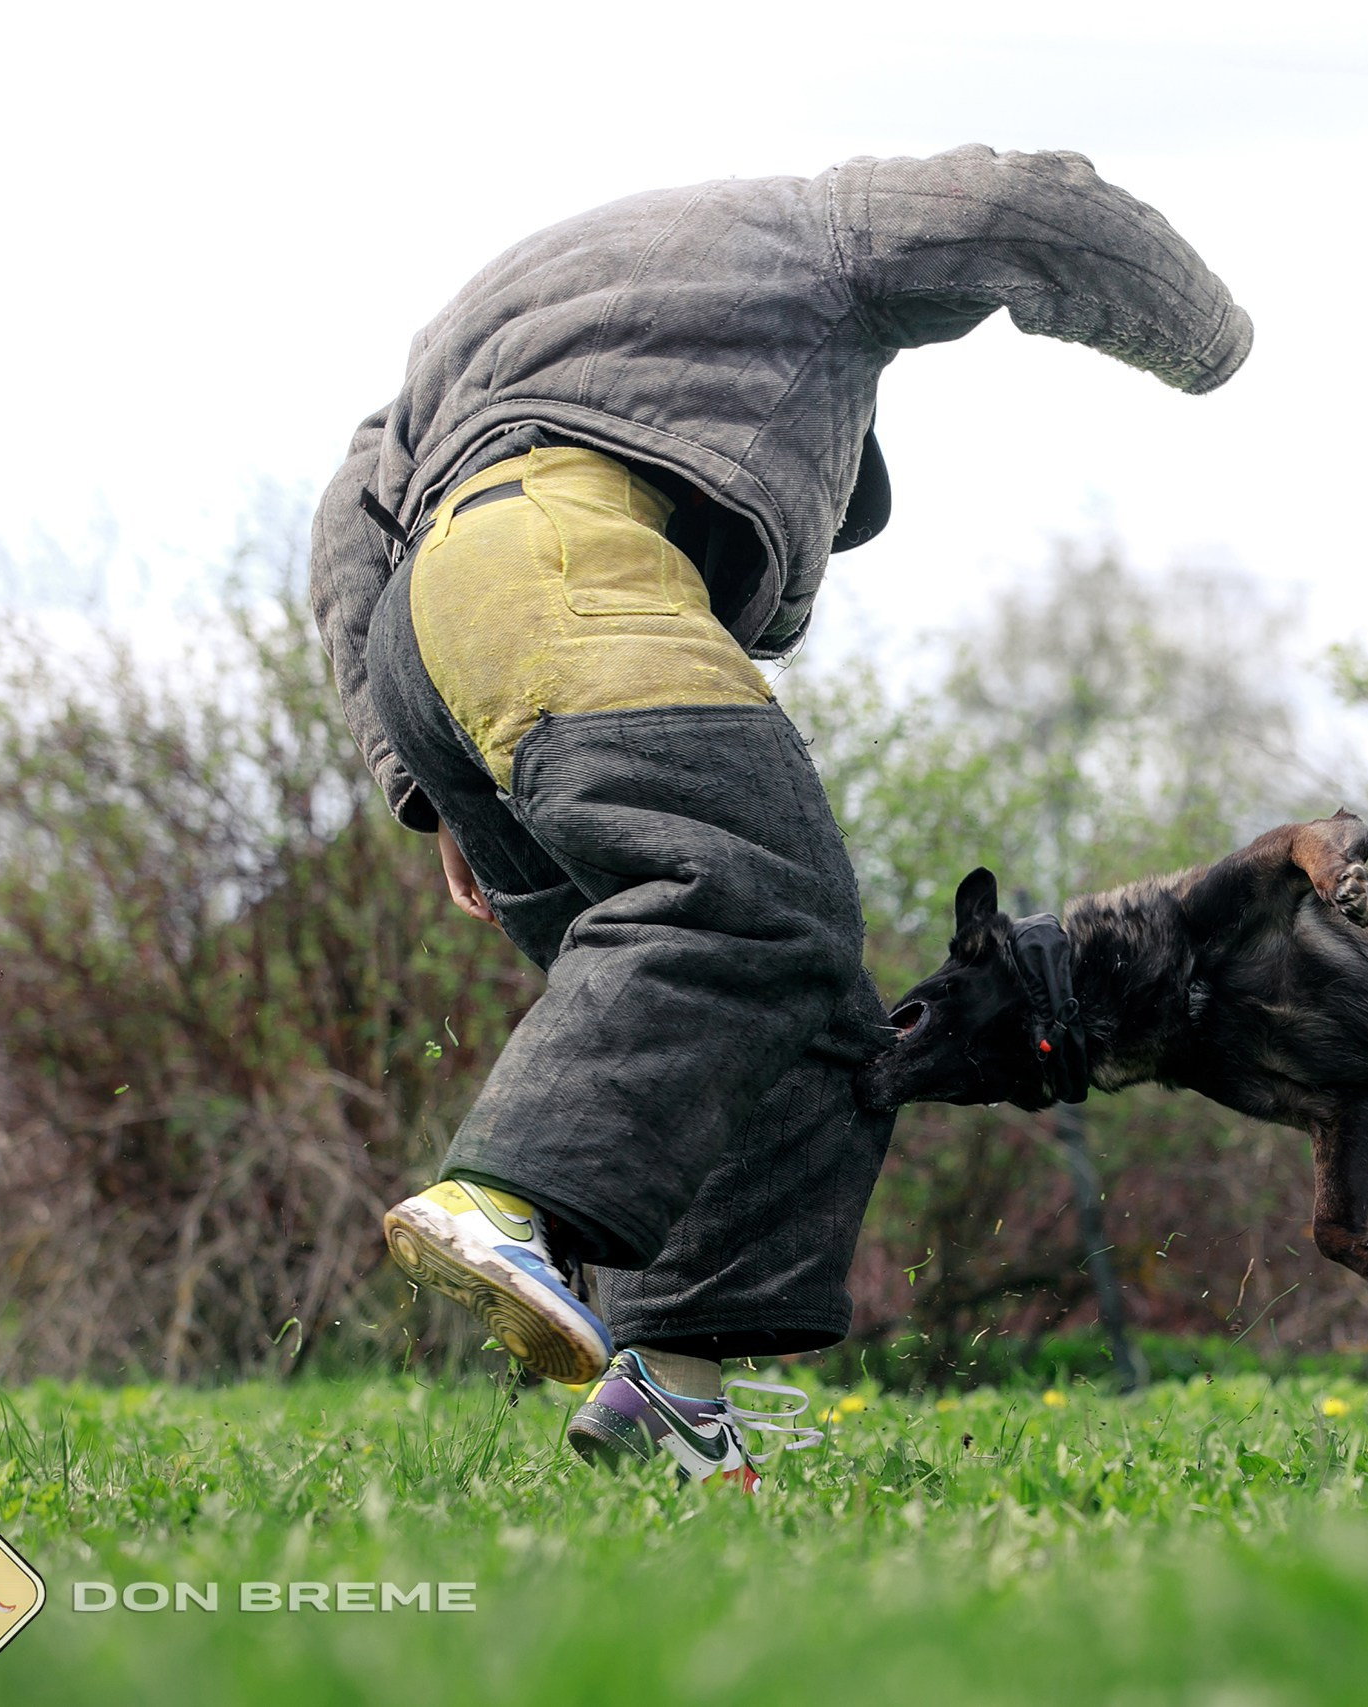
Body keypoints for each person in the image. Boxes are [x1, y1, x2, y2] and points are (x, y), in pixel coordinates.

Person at [308, 145, 1250, 1489]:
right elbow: (1023, 202)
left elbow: (352, 503)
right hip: (564, 563)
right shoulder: (819, 236)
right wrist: (1210, 342)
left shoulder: (518, 316)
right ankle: (505, 1203)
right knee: (750, 898)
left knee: (802, 1020)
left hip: (443, 625)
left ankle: (677, 1399)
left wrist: (426, 768)